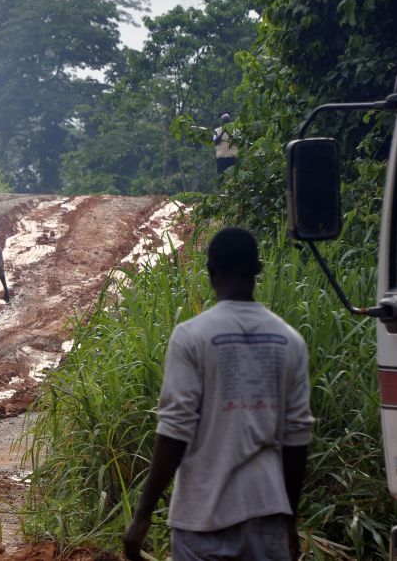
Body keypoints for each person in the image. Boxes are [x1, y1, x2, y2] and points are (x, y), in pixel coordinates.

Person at [122, 227, 314, 561]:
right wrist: (289, 523)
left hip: (202, 521)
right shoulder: (290, 341)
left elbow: (174, 433)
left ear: (210, 271)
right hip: (268, 517)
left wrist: (142, 516)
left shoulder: (191, 337)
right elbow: (297, 441)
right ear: (258, 270)